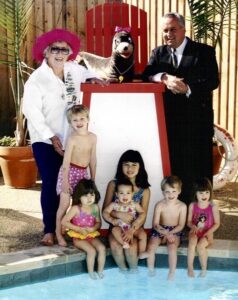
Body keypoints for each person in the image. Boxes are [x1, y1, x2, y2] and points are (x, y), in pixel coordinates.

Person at [23, 28, 107, 246]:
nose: (60, 53)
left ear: (70, 52)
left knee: (73, 185)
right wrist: (51, 137)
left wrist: (95, 78)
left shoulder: (72, 69)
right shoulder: (37, 80)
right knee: (52, 183)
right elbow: (30, 111)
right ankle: (49, 230)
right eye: (55, 49)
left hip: (70, 139)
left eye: (64, 49)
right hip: (45, 139)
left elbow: (87, 73)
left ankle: (70, 225)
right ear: (46, 53)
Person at [142, 13, 219, 205]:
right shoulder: (158, 53)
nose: (168, 34)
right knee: (173, 170)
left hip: (197, 122)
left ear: (184, 29)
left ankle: (199, 216)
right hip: (169, 122)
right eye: (165, 30)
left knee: (198, 171)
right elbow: (147, 74)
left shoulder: (204, 51)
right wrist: (164, 77)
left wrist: (188, 88)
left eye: (173, 29)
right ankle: (173, 215)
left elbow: (212, 81)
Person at [102, 149, 150, 272]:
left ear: (140, 167)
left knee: (132, 247)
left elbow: (143, 215)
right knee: (115, 245)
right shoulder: (113, 185)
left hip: (135, 227)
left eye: (134, 164)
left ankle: (133, 273)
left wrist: (132, 230)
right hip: (116, 226)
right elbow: (105, 210)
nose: (130, 168)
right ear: (121, 166)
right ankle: (123, 272)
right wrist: (119, 214)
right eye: (126, 164)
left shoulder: (144, 190)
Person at [55, 104, 97, 246]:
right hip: (69, 172)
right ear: (70, 123)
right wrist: (65, 182)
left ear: (87, 119)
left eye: (82, 119)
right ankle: (58, 233)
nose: (79, 123)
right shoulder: (72, 139)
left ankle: (72, 232)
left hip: (82, 173)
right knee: (65, 204)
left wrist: (93, 178)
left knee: (78, 204)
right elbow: (66, 163)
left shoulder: (93, 138)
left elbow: (92, 158)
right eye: (75, 120)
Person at [140, 176, 187, 280]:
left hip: (175, 230)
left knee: (172, 248)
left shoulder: (182, 206)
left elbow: (181, 225)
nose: (171, 194)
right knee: (151, 246)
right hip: (160, 229)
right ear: (163, 192)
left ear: (179, 191)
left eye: (174, 191)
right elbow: (155, 224)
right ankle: (151, 269)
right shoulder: (159, 205)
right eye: (167, 192)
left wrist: (170, 233)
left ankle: (171, 272)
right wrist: (165, 232)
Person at [61, 178, 106, 279]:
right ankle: (91, 272)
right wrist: (78, 229)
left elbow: (99, 222)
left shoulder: (95, 208)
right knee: (91, 251)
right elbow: (64, 221)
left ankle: (100, 271)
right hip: (78, 237)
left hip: (90, 235)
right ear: (79, 196)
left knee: (102, 248)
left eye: (92, 194)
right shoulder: (76, 209)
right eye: (86, 195)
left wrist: (94, 228)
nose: (89, 198)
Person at [187, 178, 220, 278]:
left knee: (200, 246)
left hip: (207, 233)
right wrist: (193, 226)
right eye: (201, 193)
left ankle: (204, 269)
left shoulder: (213, 206)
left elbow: (217, 223)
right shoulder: (192, 205)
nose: (204, 195)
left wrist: (208, 233)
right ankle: (190, 268)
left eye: (207, 192)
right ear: (195, 193)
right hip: (195, 231)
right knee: (192, 243)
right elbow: (188, 222)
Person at [103, 178, 146, 252]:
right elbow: (105, 212)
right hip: (119, 227)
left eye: (128, 193)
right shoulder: (114, 204)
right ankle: (124, 243)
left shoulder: (135, 204)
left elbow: (143, 213)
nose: (125, 196)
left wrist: (137, 222)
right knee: (114, 230)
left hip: (132, 227)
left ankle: (142, 252)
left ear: (132, 194)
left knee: (143, 235)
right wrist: (111, 220)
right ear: (116, 194)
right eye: (121, 193)